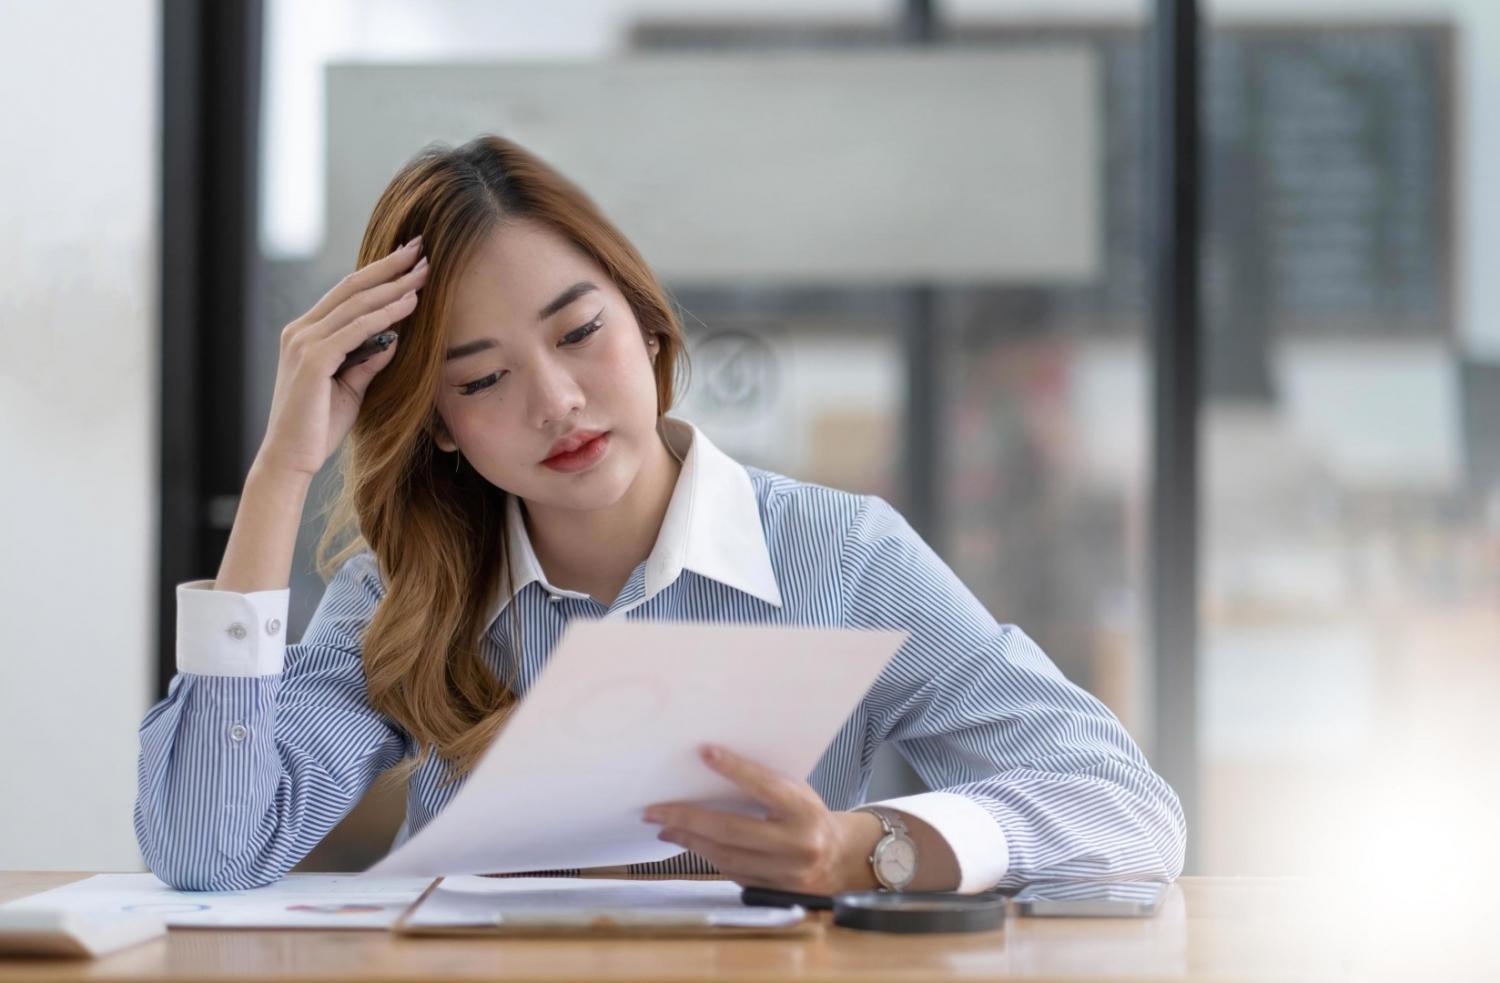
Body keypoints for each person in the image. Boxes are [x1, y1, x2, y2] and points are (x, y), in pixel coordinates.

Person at [134, 135, 1185, 893]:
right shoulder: (405, 588)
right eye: (483, 379)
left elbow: (1125, 806)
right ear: (440, 425)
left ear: (644, 321)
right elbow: (206, 847)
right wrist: (282, 468)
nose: (555, 401)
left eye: (580, 331)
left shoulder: (840, 555)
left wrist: (865, 846)